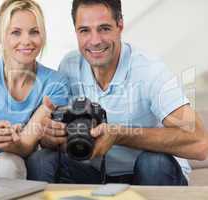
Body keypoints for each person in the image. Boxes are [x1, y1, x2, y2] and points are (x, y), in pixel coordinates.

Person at [26, 0, 208, 185]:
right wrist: (51, 136)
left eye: (104, 28)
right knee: (41, 161)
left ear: (120, 25)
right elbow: (58, 138)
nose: (95, 41)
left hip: (150, 173)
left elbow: (199, 143)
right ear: (76, 32)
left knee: (154, 163)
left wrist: (121, 134)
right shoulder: (69, 65)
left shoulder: (150, 71)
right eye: (85, 30)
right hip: (96, 174)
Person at [0, 0, 69, 179]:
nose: (26, 41)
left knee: (7, 163)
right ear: (1, 36)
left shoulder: (56, 82)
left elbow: (24, 146)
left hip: (16, 162)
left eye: (34, 32)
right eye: (16, 32)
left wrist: (9, 141)